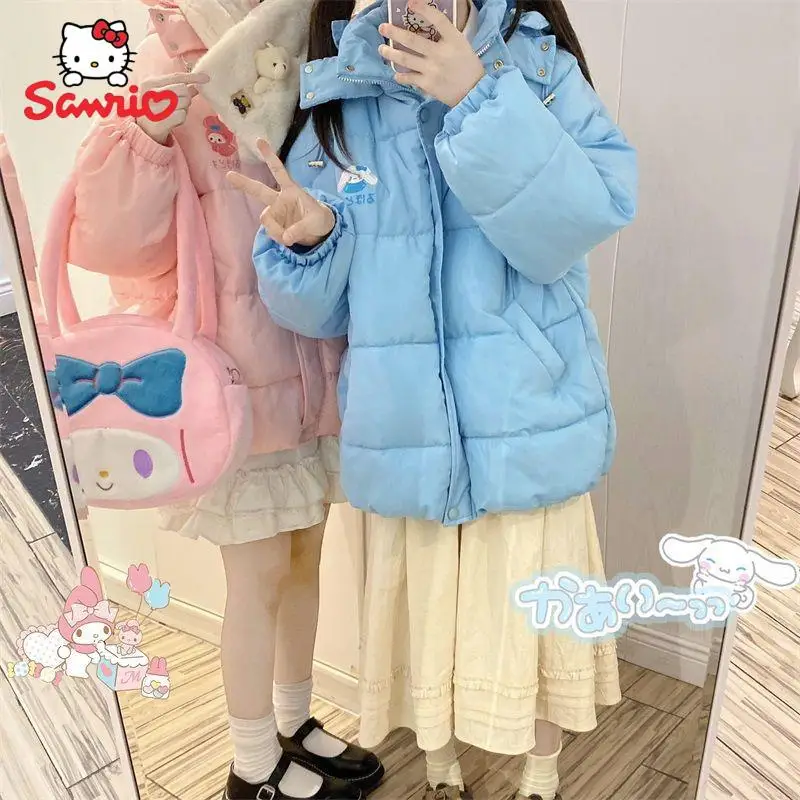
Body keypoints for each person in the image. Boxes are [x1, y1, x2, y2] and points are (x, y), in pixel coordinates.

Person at [231, 0, 637, 798]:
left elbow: (580, 220)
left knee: (528, 628)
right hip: (405, 424)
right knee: (430, 630)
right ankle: (444, 773)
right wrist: (313, 242)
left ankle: (541, 779)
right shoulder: (339, 95)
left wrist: (478, 95)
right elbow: (317, 313)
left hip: (525, 414)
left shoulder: (536, 67)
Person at [65, 2, 383, 799]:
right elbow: (109, 240)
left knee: (306, 552)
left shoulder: (301, 37)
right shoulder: (164, 64)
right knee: (259, 571)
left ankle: (294, 722)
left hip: (309, 355)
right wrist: (146, 135)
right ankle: (251, 763)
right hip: (231, 377)